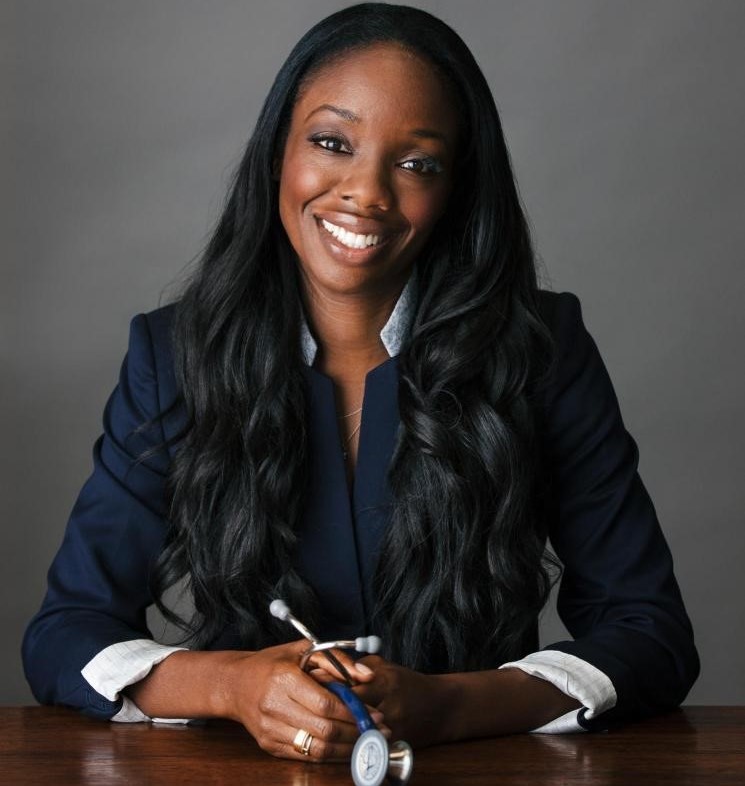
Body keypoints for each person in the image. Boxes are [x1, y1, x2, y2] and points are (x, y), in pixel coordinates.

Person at [23, 2, 699, 762]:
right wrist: (233, 687)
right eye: (330, 142)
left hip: (476, 772)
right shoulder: (174, 355)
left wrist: (445, 706)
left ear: (454, 188)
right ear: (279, 150)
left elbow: (650, 633)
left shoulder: (540, 350)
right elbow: (64, 634)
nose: (367, 192)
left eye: (416, 163)